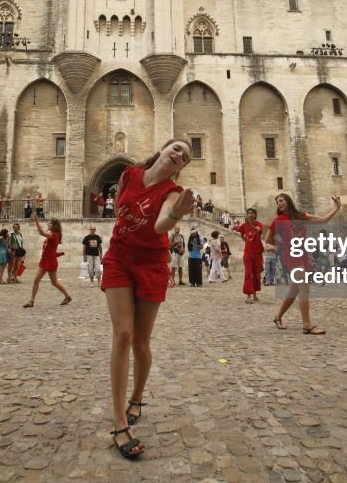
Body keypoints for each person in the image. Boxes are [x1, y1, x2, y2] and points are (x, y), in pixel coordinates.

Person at [100, 138, 195, 459]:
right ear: (164, 149)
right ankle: (119, 422)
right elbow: (119, 209)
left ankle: (137, 397)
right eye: (177, 148)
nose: (179, 154)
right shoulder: (129, 174)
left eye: (185, 156)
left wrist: (176, 216)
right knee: (123, 334)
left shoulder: (171, 193)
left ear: (181, 167)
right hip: (119, 257)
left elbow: (159, 225)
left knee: (141, 341)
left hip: (152, 263)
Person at [268, 193, 341, 334]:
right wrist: (284, 245)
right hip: (292, 256)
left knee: (295, 289)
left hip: (303, 255)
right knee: (304, 288)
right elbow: (268, 238)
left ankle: (278, 317)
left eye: (281, 200)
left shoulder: (301, 216)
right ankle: (307, 325)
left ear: (288, 201)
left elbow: (322, 220)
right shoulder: (279, 220)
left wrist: (336, 209)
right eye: (277, 202)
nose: (279, 204)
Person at [23, 216, 72, 307]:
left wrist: (36, 221)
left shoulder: (54, 235)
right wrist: (57, 253)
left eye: (49, 223)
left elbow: (41, 233)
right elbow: (50, 249)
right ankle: (31, 301)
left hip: (50, 262)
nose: (47, 224)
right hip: (45, 260)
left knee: (54, 282)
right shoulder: (52, 235)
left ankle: (67, 296)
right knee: (37, 279)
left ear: (53, 225)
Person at [236, 208, 264, 303]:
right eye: (249, 213)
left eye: (252, 213)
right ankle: (248, 296)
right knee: (248, 273)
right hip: (248, 253)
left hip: (257, 253)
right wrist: (245, 240)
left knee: (257, 275)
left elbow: (256, 230)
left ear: (255, 215)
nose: (250, 215)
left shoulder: (258, 224)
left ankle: (255, 294)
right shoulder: (244, 225)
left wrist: (250, 224)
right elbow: (241, 233)